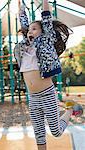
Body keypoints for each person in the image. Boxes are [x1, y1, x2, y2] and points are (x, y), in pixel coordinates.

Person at [14, 0, 83, 150]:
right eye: (29, 30)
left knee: (56, 132)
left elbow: (46, 16)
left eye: (34, 29)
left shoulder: (46, 40)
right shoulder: (25, 47)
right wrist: (20, 5)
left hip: (47, 95)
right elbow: (23, 20)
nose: (30, 32)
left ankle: (70, 110)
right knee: (39, 134)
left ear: (43, 31)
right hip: (32, 98)